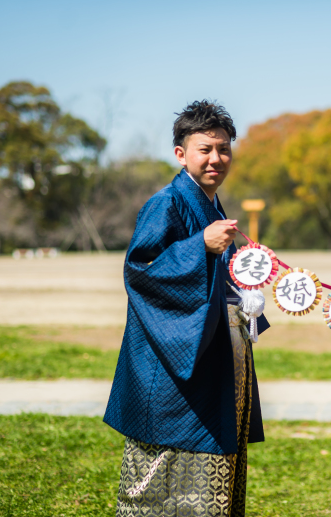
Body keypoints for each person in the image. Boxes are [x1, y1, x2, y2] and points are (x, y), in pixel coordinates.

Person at [104, 100, 269, 517]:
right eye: (205, 149)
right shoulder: (167, 202)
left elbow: (221, 274)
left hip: (216, 354)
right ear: (181, 154)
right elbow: (140, 270)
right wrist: (199, 247)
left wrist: (244, 295)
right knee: (164, 481)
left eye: (224, 148)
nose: (217, 158)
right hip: (178, 361)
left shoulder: (212, 204)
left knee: (214, 475)